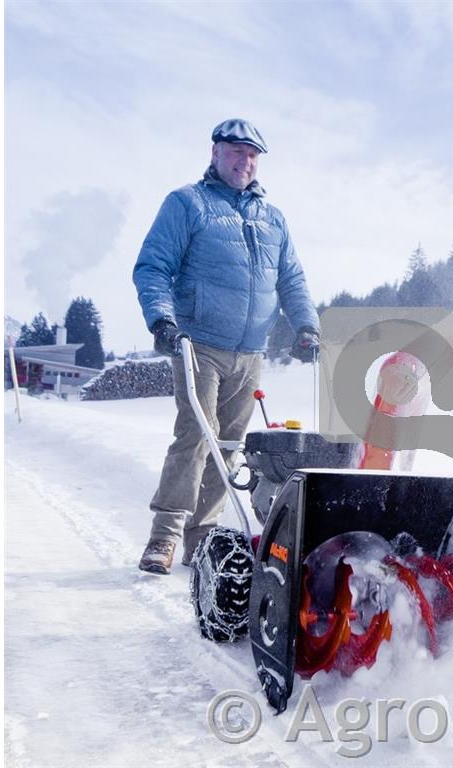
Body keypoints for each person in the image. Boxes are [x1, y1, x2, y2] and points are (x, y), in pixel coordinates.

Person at [133, 118, 320, 574]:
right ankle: (165, 536)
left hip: (250, 352)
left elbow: (291, 279)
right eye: (237, 151)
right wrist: (162, 318)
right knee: (196, 436)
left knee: (230, 445)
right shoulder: (187, 204)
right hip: (198, 343)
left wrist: (306, 326)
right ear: (215, 153)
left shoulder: (273, 218)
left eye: (253, 154)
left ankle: (201, 539)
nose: (245, 161)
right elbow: (153, 266)